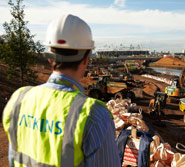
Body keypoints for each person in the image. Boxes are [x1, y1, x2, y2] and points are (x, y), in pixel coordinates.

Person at [2, 14, 120, 167]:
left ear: (50, 57)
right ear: (86, 59)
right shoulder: (94, 115)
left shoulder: (19, 99)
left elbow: (14, 159)